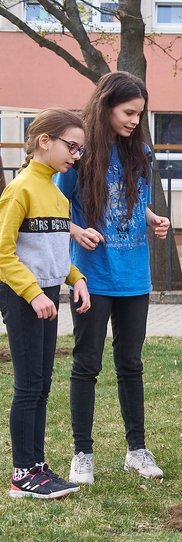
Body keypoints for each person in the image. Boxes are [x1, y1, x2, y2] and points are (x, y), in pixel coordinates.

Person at [57, 72, 170, 484]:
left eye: (140, 114)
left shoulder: (142, 153)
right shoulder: (80, 155)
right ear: (105, 107)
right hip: (92, 277)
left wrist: (153, 218)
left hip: (134, 277)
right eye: (128, 112)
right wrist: (76, 231)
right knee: (87, 364)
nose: (135, 121)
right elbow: (55, 205)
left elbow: (136, 203)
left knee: (131, 364)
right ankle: (82, 453)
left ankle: (137, 450)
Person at [1, 109, 90, 499]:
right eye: (72, 146)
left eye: (80, 150)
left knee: (42, 385)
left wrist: (76, 278)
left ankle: (37, 467)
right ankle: (22, 474)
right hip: (24, 297)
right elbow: (3, 253)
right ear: (44, 141)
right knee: (28, 385)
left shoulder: (56, 194)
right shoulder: (20, 189)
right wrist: (33, 293)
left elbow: (55, 253)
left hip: (48, 296)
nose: (76, 155)